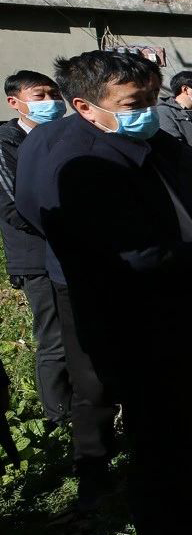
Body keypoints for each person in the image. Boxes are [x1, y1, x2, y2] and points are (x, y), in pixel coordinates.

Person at [16, 50, 192, 535]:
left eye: (152, 100)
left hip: (166, 302)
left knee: (175, 418)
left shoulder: (132, 138)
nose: (148, 111)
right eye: (135, 103)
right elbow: (137, 255)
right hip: (131, 314)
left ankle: (183, 512)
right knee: (154, 426)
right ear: (86, 106)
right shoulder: (80, 163)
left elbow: (187, 187)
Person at [0, 70, 118, 509]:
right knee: (54, 340)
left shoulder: (64, 137)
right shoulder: (7, 145)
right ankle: (58, 418)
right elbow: (17, 208)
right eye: (39, 95)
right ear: (16, 102)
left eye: (53, 93)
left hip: (80, 255)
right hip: (39, 256)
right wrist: (68, 232)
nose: (49, 101)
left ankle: (94, 410)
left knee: (88, 342)